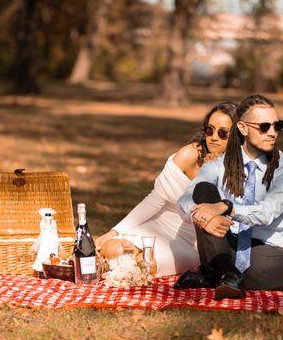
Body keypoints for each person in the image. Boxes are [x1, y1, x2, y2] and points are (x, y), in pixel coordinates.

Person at [175, 94, 283, 299]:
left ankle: (222, 277)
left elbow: (267, 212)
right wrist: (201, 216)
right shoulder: (220, 163)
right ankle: (227, 272)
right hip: (221, 242)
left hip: (261, 250)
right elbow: (186, 198)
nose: (272, 133)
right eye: (264, 127)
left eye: (277, 126)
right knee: (203, 191)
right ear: (243, 128)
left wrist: (227, 207)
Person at [95, 102, 237, 276]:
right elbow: (154, 200)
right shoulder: (189, 154)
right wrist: (114, 231)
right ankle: (123, 261)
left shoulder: (242, 170)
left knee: (148, 265)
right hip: (158, 226)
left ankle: (127, 267)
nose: (214, 137)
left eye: (223, 133)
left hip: (192, 243)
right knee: (112, 249)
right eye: (210, 130)